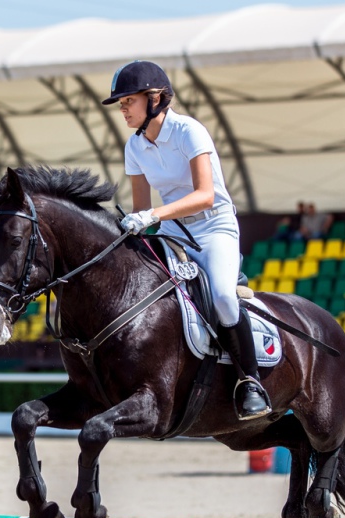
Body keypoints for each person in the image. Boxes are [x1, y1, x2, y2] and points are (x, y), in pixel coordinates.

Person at [102, 60, 271, 420]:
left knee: (223, 297)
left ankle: (250, 381)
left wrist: (151, 216)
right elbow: (142, 208)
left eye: (128, 101)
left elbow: (205, 195)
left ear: (155, 98)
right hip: (173, 229)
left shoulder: (189, 131)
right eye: (121, 104)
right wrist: (132, 228)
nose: (123, 109)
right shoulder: (135, 147)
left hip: (213, 227)